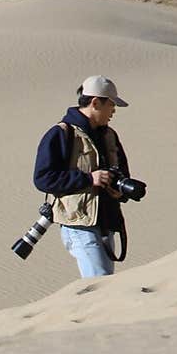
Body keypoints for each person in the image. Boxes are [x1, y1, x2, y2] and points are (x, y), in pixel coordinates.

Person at [33, 75, 133, 278]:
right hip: (79, 224)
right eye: (111, 104)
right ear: (96, 103)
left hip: (107, 221)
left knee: (104, 283)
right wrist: (89, 179)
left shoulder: (110, 136)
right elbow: (43, 178)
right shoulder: (61, 134)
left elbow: (122, 172)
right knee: (100, 283)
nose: (113, 111)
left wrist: (119, 190)